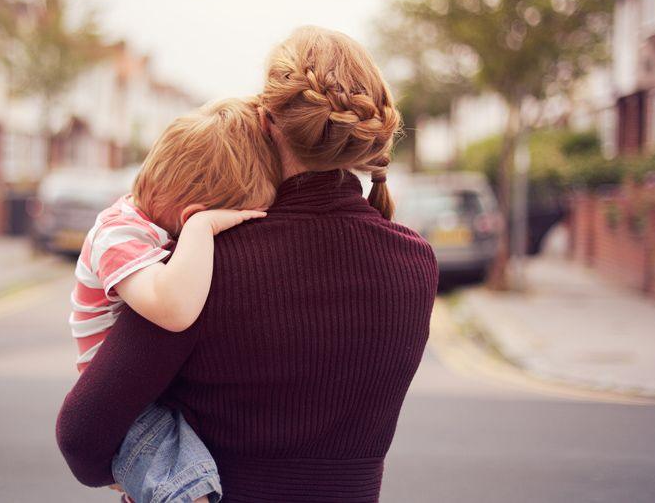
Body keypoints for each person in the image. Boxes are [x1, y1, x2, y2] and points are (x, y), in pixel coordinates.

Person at [57, 26, 439, 502]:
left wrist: (130, 473)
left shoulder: (210, 262)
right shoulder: (416, 262)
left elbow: (82, 434)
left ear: (263, 121)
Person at [67, 97, 280, 502]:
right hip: (127, 413)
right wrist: (204, 229)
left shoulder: (148, 227)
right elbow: (174, 310)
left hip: (152, 395)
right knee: (189, 490)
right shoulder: (117, 233)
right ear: (192, 214)